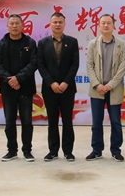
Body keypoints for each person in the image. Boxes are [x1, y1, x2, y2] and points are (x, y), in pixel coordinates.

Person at [0, 14, 38, 162]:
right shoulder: (1, 44)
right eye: (11, 23)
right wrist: (10, 80)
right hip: (8, 89)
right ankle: (11, 150)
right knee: (9, 121)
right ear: (7, 26)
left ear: (22, 25)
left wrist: (19, 78)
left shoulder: (30, 43)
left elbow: (33, 63)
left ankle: (27, 151)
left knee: (27, 121)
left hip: (25, 88)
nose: (14, 26)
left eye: (17, 23)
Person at [37, 13, 80, 162]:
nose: (57, 24)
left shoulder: (72, 41)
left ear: (64, 24)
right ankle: (53, 151)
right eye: (55, 22)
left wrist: (65, 82)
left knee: (67, 120)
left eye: (60, 22)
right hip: (50, 89)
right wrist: (52, 83)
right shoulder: (43, 43)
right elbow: (41, 65)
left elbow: (75, 64)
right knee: (52, 121)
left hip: (67, 88)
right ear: (50, 24)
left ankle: (68, 152)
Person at [86, 14, 125, 162]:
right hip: (97, 89)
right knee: (96, 122)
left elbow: (123, 68)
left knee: (115, 122)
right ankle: (96, 150)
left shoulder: (121, 44)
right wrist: (97, 85)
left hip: (114, 89)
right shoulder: (93, 44)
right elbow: (89, 66)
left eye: (108, 23)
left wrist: (110, 85)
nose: (105, 25)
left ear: (113, 26)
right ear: (98, 26)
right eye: (103, 23)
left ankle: (116, 150)